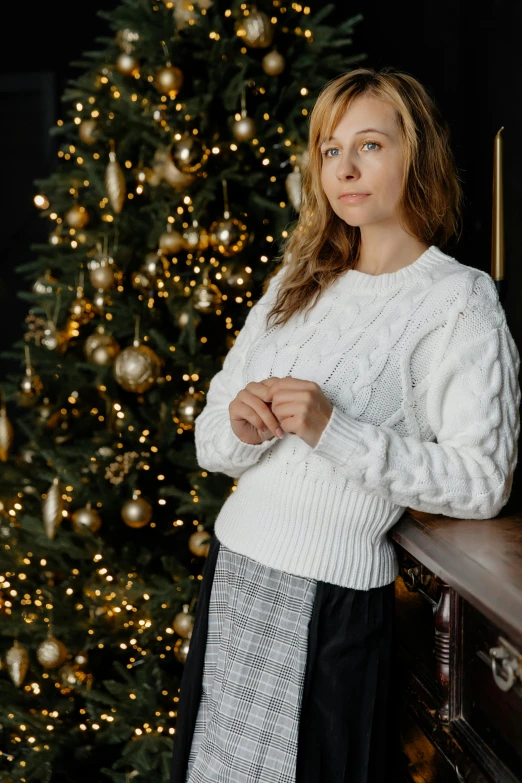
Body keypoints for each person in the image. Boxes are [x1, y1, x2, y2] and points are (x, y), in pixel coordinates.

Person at [170, 66, 521, 783]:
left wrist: (335, 428)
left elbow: (483, 480)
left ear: (414, 155)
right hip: (236, 579)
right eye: (331, 150)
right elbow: (211, 439)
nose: (346, 169)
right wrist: (240, 424)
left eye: (370, 145)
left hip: (329, 604)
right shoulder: (297, 278)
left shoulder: (460, 300)